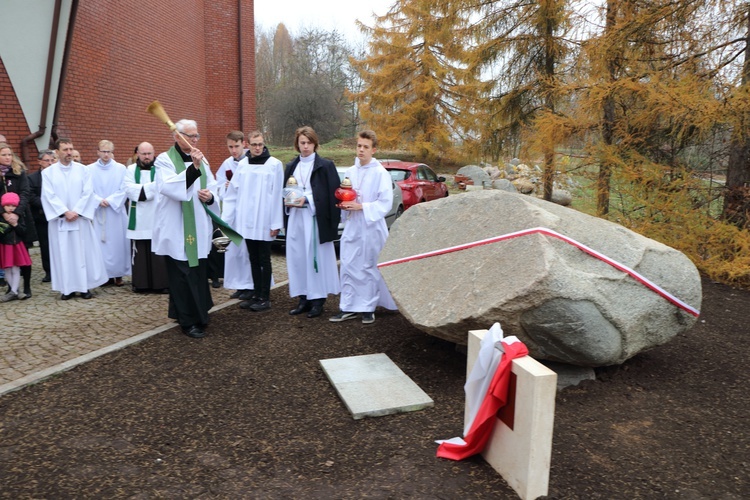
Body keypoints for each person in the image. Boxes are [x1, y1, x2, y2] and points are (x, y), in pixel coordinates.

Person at [152, 119, 219, 339]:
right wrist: (194, 168)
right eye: (190, 136)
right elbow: (168, 187)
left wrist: (211, 197)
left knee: (198, 271)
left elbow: (214, 186)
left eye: (196, 136)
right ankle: (187, 321)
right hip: (177, 227)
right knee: (182, 274)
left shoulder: (201, 158)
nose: (194, 140)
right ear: (176, 136)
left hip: (198, 226)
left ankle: (200, 314)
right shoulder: (164, 160)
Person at [329, 130, 397, 324]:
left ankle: (368, 307)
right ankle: (348, 306)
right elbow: (346, 193)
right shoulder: (351, 172)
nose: (361, 150)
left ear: (373, 150)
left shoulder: (380, 173)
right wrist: (343, 205)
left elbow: (385, 202)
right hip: (353, 224)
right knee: (349, 265)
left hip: (371, 226)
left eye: (366, 147)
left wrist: (361, 207)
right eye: (359, 146)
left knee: (368, 266)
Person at [283, 126, 340, 318]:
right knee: (298, 258)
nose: (305, 146)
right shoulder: (291, 166)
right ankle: (303, 298)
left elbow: (332, 194)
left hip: (315, 220)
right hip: (296, 219)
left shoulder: (325, 166)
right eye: (302, 143)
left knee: (315, 259)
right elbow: (286, 189)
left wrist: (307, 199)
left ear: (315, 144)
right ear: (297, 144)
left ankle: (317, 301)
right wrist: (287, 201)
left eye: (308, 143)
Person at [223, 131, 283, 312]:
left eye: (260, 144)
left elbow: (278, 194)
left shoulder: (275, 165)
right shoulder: (242, 165)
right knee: (253, 259)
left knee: (264, 259)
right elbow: (233, 193)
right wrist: (227, 220)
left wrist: (276, 223)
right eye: (254, 144)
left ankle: (265, 297)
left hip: (264, 220)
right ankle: (256, 294)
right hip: (246, 220)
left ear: (264, 144)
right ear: (248, 145)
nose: (257, 148)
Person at [41, 138, 108, 299]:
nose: (69, 152)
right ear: (57, 152)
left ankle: (85, 287)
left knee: (83, 253)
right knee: (63, 254)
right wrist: (65, 212)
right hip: (61, 221)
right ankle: (67, 289)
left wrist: (76, 211)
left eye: (71, 149)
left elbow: (88, 192)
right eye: (65, 149)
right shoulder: (48, 173)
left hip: (80, 219)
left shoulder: (83, 170)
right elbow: (49, 196)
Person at [123, 142, 169, 292]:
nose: (147, 156)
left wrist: (142, 190)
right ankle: (141, 284)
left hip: (157, 215)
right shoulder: (130, 169)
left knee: (157, 252)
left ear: (154, 153)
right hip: (139, 217)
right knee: (141, 251)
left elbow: (162, 187)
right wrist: (151, 188)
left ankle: (160, 284)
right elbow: (128, 189)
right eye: (144, 154)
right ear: (138, 154)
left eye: (149, 153)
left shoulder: (161, 169)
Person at [215, 131, 254, 300]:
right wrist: (225, 186)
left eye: (236, 146)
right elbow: (216, 185)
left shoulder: (250, 162)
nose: (233, 150)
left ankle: (251, 285)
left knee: (247, 250)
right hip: (232, 214)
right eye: (230, 147)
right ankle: (239, 284)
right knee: (234, 250)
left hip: (247, 213)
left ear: (244, 144)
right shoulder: (227, 163)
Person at [88, 140, 131, 286]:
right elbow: (87, 190)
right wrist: (98, 200)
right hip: (99, 211)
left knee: (118, 243)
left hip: (115, 212)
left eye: (109, 152)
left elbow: (125, 188)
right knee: (100, 245)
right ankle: (104, 275)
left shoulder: (120, 169)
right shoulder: (89, 169)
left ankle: (118, 275)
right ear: (98, 151)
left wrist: (111, 200)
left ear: (112, 152)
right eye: (103, 151)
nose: (106, 155)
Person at [0, 142, 37, 298]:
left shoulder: (19, 172)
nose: (8, 157)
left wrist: (16, 213)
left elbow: (25, 193)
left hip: (21, 217)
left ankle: (26, 287)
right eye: (4, 155)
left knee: (24, 254)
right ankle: (11, 289)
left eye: (10, 154)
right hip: (2, 219)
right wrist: (3, 213)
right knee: (7, 255)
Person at [28, 149, 56, 282]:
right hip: (42, 217)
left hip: (58, 216)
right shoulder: (32, 178)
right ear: (39, 162)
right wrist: (48, 204)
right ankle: (49, 271)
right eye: (47, 161)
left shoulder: (58, 176)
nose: (50, 163)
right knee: (45, 245)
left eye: (52, 160)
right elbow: (31, 197)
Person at [0, 192, 33, 301]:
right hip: (5, 246)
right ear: (3, 205)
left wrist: (15, 224)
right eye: (8, 205)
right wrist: (7, 226)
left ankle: (13, 291)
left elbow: (23, 231)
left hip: (16, 245)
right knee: (8, 269)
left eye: (13, 206)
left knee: (16, 268)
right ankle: (16, 291)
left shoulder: (19, 217)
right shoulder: (1, 218)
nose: (11, 208)